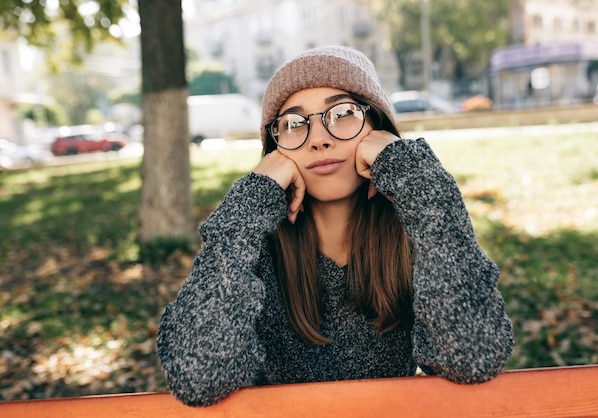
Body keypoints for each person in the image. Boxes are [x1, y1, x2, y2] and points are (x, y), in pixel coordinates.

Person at [156, 45, 514, 407]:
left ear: (378, 129)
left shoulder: (417, 232)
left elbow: (473, 357)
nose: (319, 139)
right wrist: (247, 206)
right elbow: (196, 377)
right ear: (275, 151)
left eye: (342, 113)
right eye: (294, 124)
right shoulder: (253, 248)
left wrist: (418, 182)